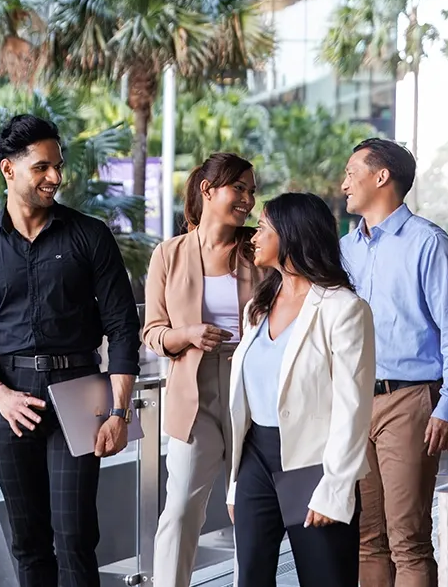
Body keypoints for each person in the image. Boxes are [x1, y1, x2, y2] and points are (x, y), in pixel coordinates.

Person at [0, 114, 141, 587]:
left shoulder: (90, 236)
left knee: (74, 537)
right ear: (9, 170)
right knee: (27, 542)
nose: (55, 176)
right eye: (42, 167)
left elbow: (122, 326)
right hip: (14, 396)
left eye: (57, 165)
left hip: (81, 390)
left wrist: (118, 410)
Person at [340, 138, 448, 587]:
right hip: (355, 401)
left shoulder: (430, 244)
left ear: (381, 177)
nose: (343, 184)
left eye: (351, 172)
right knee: (365, 539)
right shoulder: (347, 250)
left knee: (409, 542)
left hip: (410, 401)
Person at [227, 193, 375, 587]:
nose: (253, 237)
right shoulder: (257, 307)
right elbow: (245, 403)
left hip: (313, 464)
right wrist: (235, 484)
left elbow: (353, 408)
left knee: (324, 577)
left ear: (292, 235)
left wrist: (335, 487)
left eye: (262, 228)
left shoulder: (343, 309)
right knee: (250, 578)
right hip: (256, 459)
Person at [142, 152, 265, 587]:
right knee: (180, 509)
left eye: (252, 190)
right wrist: (187, 334)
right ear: (208, 191)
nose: (249, 199)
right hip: (192, 392)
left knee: (251, 507)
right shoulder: (168, 254)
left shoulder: (259, 248)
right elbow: (152, 332)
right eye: (240, 188)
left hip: (253, 387)